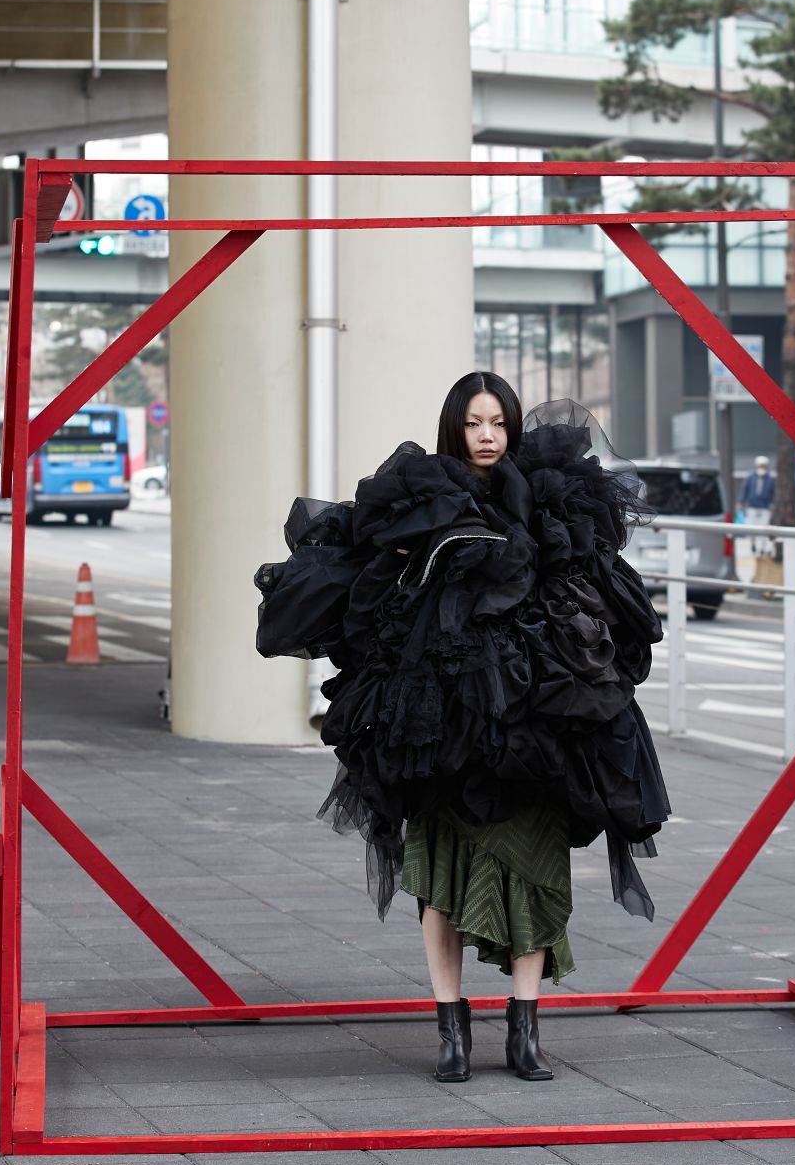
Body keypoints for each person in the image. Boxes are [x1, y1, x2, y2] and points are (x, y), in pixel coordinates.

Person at [255, 373, 669, 1085]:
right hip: (437, 718)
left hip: (539, 715)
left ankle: (524, 1026)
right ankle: (450, 1030)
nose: (487, 434)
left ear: (511, 429)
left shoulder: (551, 499)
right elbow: (364, 592)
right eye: (474, 422)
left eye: (498, 422)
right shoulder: (417, 501)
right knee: (439, 869)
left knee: (538, 863)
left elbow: (603, 594)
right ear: (455, 427)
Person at [738, 454, 776, 557]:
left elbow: (773, 494)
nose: (761, 468)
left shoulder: (770, 480)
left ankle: (763, 547)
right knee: (752, 528)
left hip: (765, 508)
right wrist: (741, 502)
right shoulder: (750, 478)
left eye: (763, 466)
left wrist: (773, 506)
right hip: (752, 507)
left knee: (765, 529)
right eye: (760, 466)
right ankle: (753, 544)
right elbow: (745, 491)